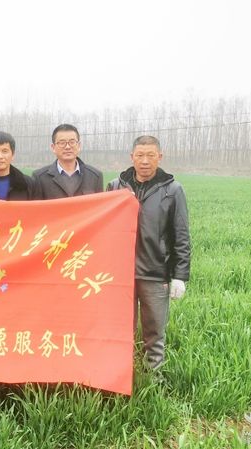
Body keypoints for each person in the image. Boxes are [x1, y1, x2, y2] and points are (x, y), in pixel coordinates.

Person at [107, 136, 191, 370]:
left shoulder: (172, 190)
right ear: (131, 157)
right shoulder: (116, 186)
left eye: (150, 155)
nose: (145, 161)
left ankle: (154, 379)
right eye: (140, 155)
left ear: (159, 157)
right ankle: (121, 376)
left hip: (155, 273)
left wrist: (180, 276)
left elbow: (181, 235)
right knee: (120, 329)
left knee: (154, 334)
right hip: (121, 275)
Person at [32, 123, 103, 199]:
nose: (68, 147)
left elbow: (100, 205)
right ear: (53, 147)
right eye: (62, 143)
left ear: (79, 146)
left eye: (72, 142)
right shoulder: (40, 178)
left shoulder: (95, 176)